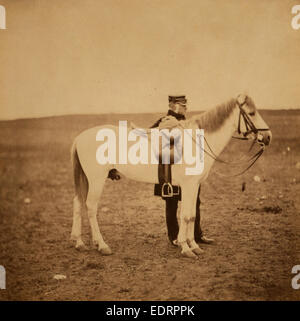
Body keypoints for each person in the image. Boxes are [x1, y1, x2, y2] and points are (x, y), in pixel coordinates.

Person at [150, 95, 214, 246]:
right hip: (169, 171)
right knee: (171, 204)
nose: (186, 107)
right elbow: (151, 136)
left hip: (188, 169)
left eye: (186, 104)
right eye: (182, 104)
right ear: (172, 105)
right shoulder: (164, 121)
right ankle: (174, 236)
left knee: (194, 202)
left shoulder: (187, 123)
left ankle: (197, 234)